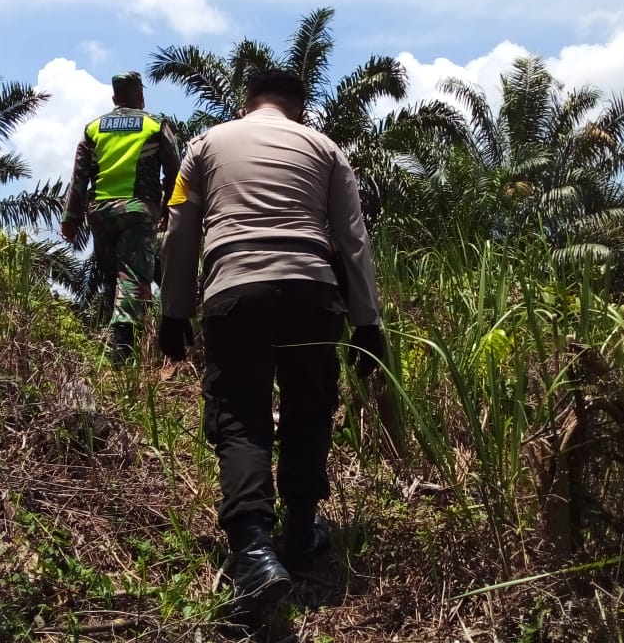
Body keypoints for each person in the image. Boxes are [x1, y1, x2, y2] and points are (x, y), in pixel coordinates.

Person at [156, 69, 386, 623]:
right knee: (310, 410)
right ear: (297, 108)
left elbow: (180, 228)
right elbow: (353, 238)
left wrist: (174, 311)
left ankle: (255, 553)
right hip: (313, 290)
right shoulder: (324, 147)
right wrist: (367, 321)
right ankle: (302, 533)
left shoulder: (206, 143)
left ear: (248, 102)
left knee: (241, 419)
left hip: (236, 291)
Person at [61, 71, 180, 364]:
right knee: (132, 274)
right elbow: (175, 172)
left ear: (115, 97)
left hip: (100, 212)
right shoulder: (154, 124)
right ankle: (124, 346)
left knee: (113, 274)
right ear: (140, 95)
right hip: (138, 211)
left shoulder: (94, 128)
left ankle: (117, 340)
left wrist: (70, 219)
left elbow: (79, 177)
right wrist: (169, 211)